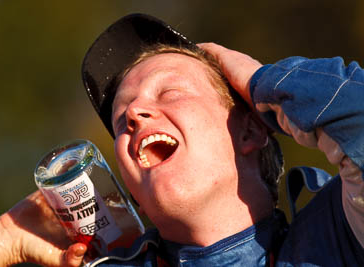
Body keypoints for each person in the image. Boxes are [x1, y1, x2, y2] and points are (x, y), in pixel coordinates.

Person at [81, 14, 364, 266]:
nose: (132, 113)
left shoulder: (340, 237)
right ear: (135, 196)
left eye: (169, 92)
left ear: (249, 131)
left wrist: (258, 78)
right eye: (121, 122)